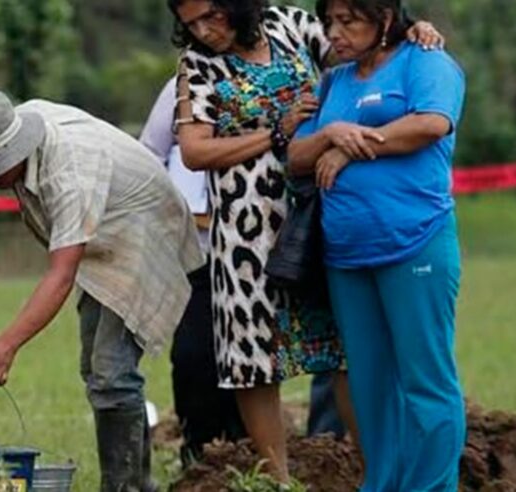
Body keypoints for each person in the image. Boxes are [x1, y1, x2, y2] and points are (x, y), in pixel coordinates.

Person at [167, 0, 441, 479]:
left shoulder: (288, 24)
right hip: (245, 232)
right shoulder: (197, 64)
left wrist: (410, 30)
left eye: (212, 15)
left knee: (344, 346)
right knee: (253, 358)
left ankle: (375, 470)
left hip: (319, 212)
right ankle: (279, 478)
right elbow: (194, 151)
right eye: (190, 23)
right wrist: (275, 133)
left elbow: (355, 42)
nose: (205, 30)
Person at [0, 90, 203, 491]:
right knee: (94, 370)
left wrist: (7, 343)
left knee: (112, 373)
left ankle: (126, 486)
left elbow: (61, 273)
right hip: (104, 234)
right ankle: (137, 481)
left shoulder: (69, 170)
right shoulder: (14, 125)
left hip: (141, 229)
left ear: (12, 150)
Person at [288, 0, 465, 488]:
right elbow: (297, 156)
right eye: (329, 22)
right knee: (369, 387)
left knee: (424, 381)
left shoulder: (426, 61)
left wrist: (348, 149)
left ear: (384, 18)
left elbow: (430, 124)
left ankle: (430, 486)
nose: (334, 33)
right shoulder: (336, 81)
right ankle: (382, 483)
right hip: (347, 255)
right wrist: (329, 132)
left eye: (348, 21)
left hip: (413, 242)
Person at [139, 75, 245, 466]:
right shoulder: (181, 85)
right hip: (192, 249)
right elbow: (150, 151)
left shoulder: (272, 78)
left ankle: (247, 448)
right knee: (193, 355)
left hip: (250, 249)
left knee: (245, 354)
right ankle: (198, 453)